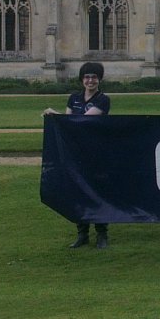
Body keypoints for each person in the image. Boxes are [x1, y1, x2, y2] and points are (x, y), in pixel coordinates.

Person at [44, 62, 112, 249]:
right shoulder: (73, 98)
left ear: (99, 80)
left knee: (97, 191)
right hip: (76, 152)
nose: (90, 81)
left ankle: (101, 234)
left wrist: (55, 115)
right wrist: (57, 118)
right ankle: (82, 233)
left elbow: (81, 121)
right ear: (82, 80)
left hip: (95, 151)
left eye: (94, 77)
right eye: (87, 77)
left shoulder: (102, 100)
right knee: (77, 191)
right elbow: (68, 124)